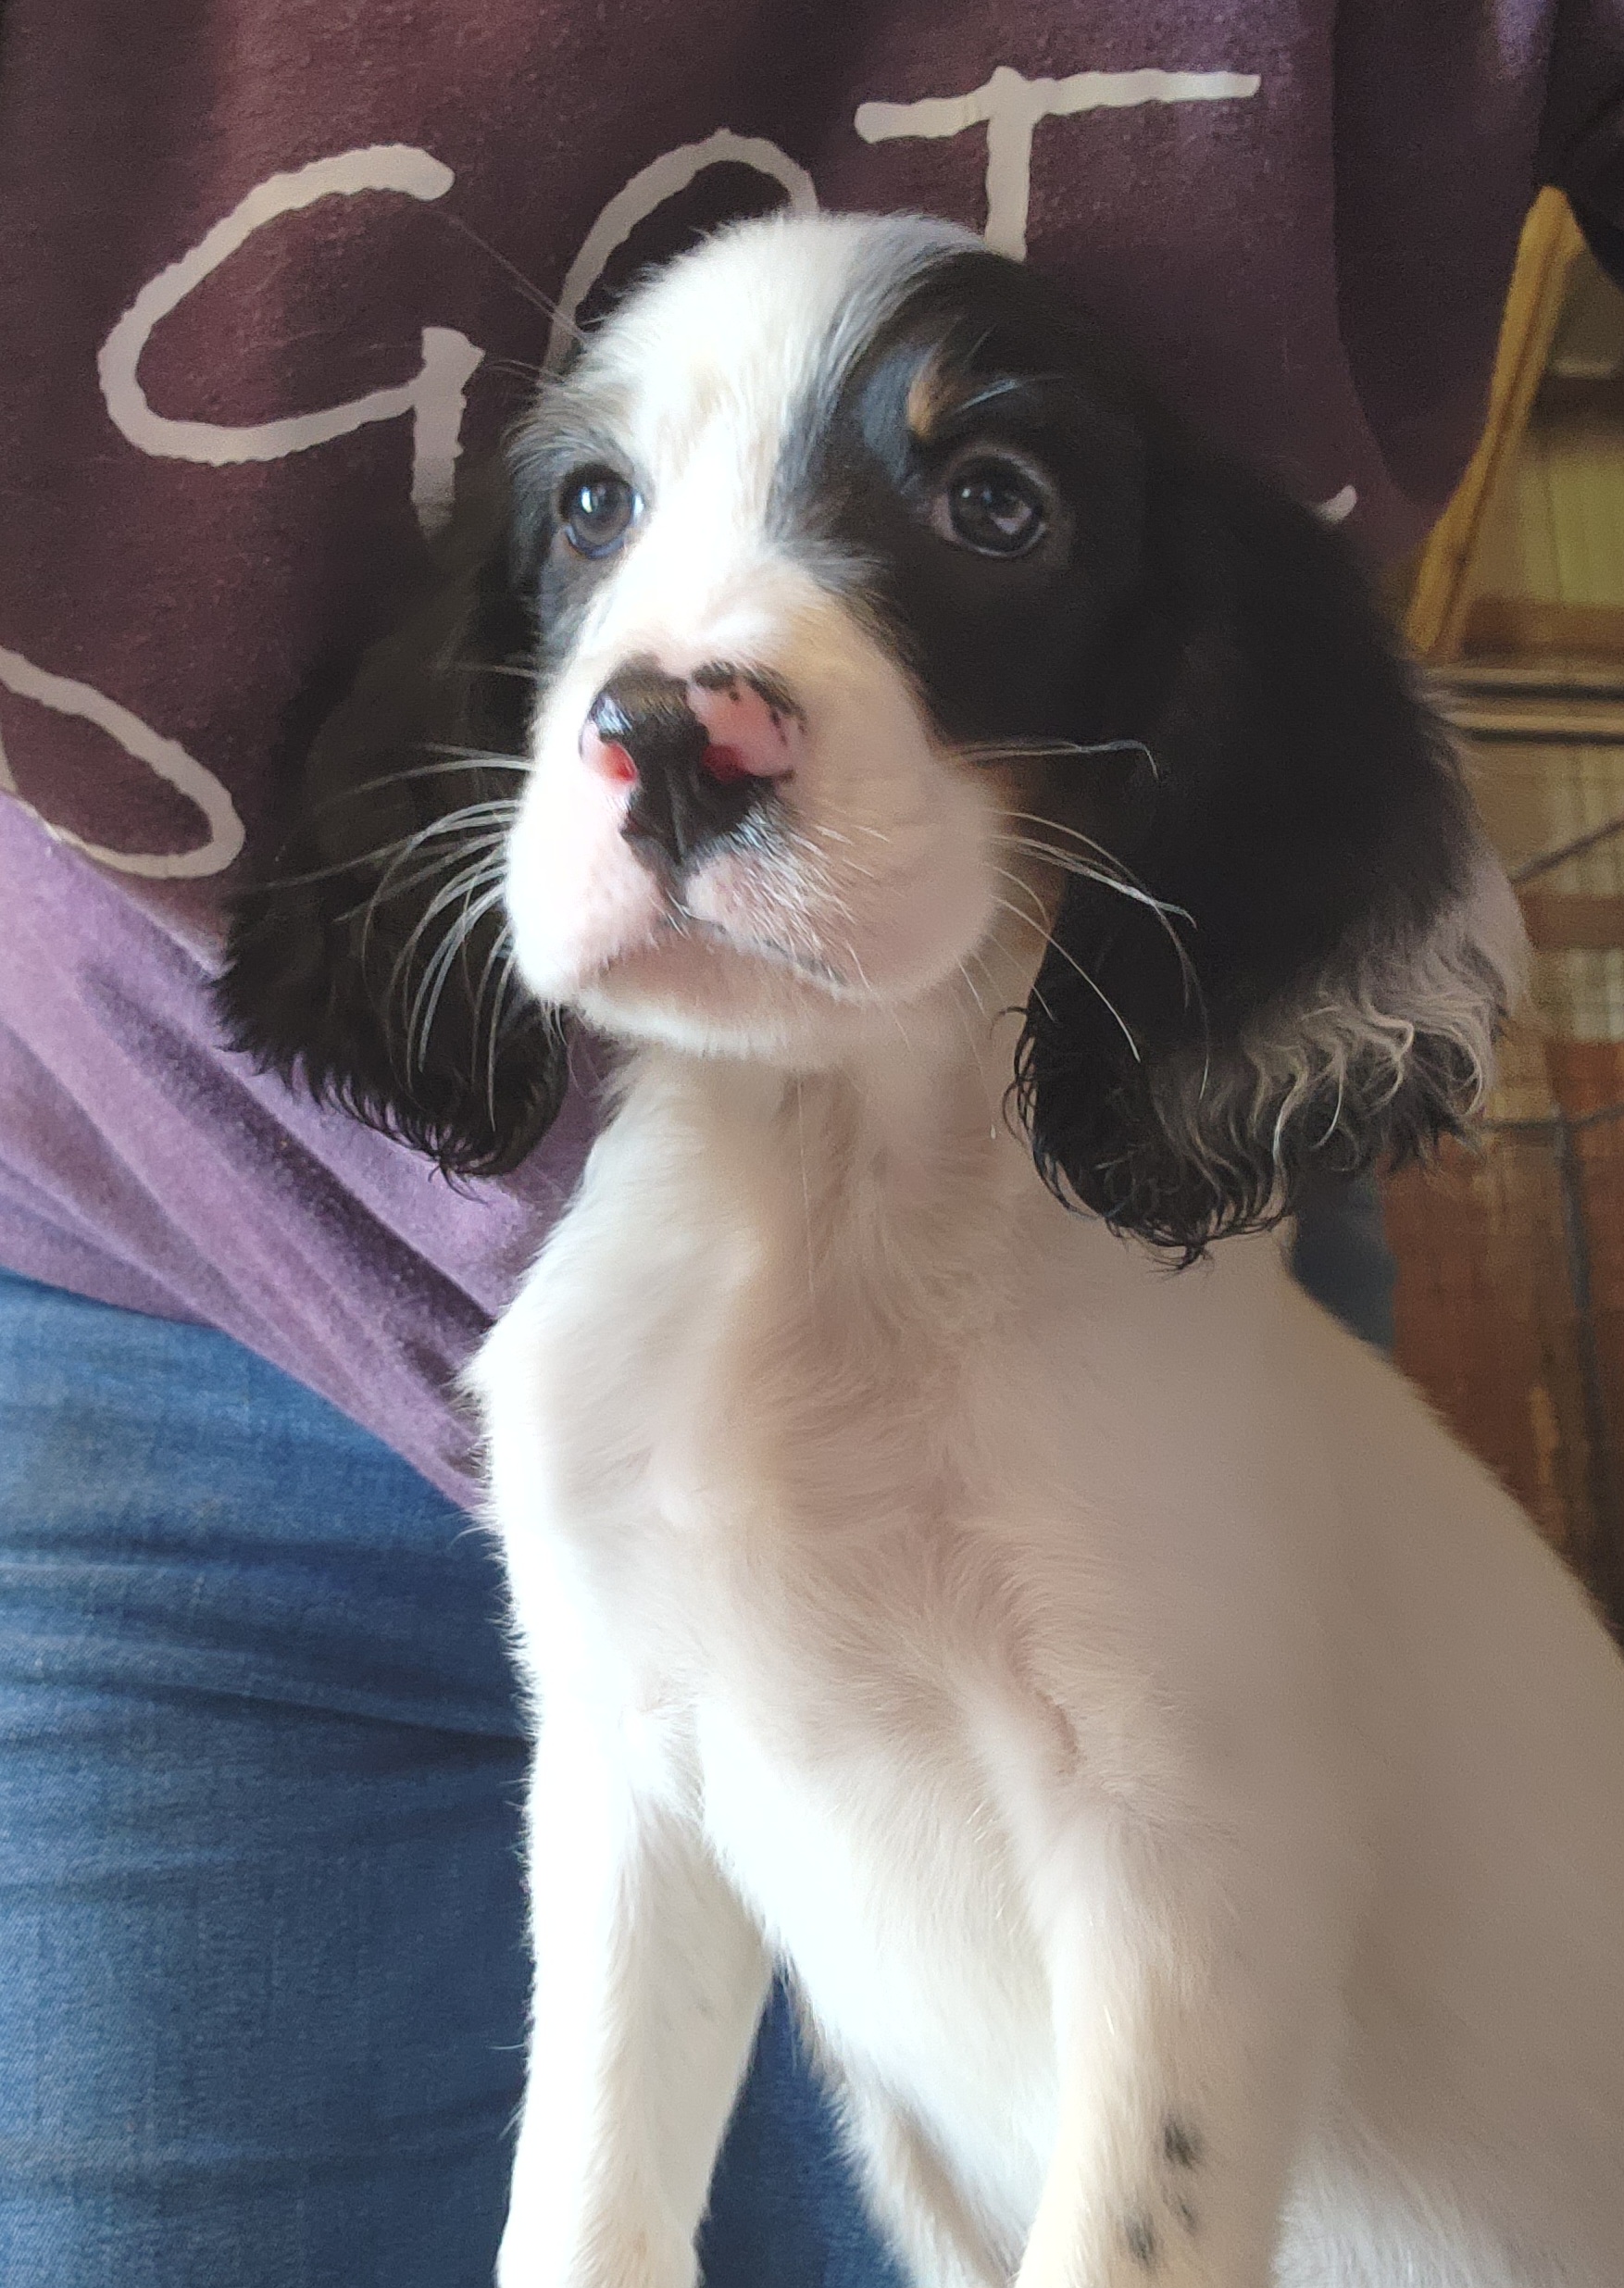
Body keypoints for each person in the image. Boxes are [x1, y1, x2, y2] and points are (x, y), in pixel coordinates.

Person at [2, 6, 1620, 2282]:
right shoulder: (598, 1349)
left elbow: (1191, 1855)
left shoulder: (1153, 1363)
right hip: (123, 1331)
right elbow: (632, 1788)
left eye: (985, 505)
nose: (694, 692)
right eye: (601, 508)